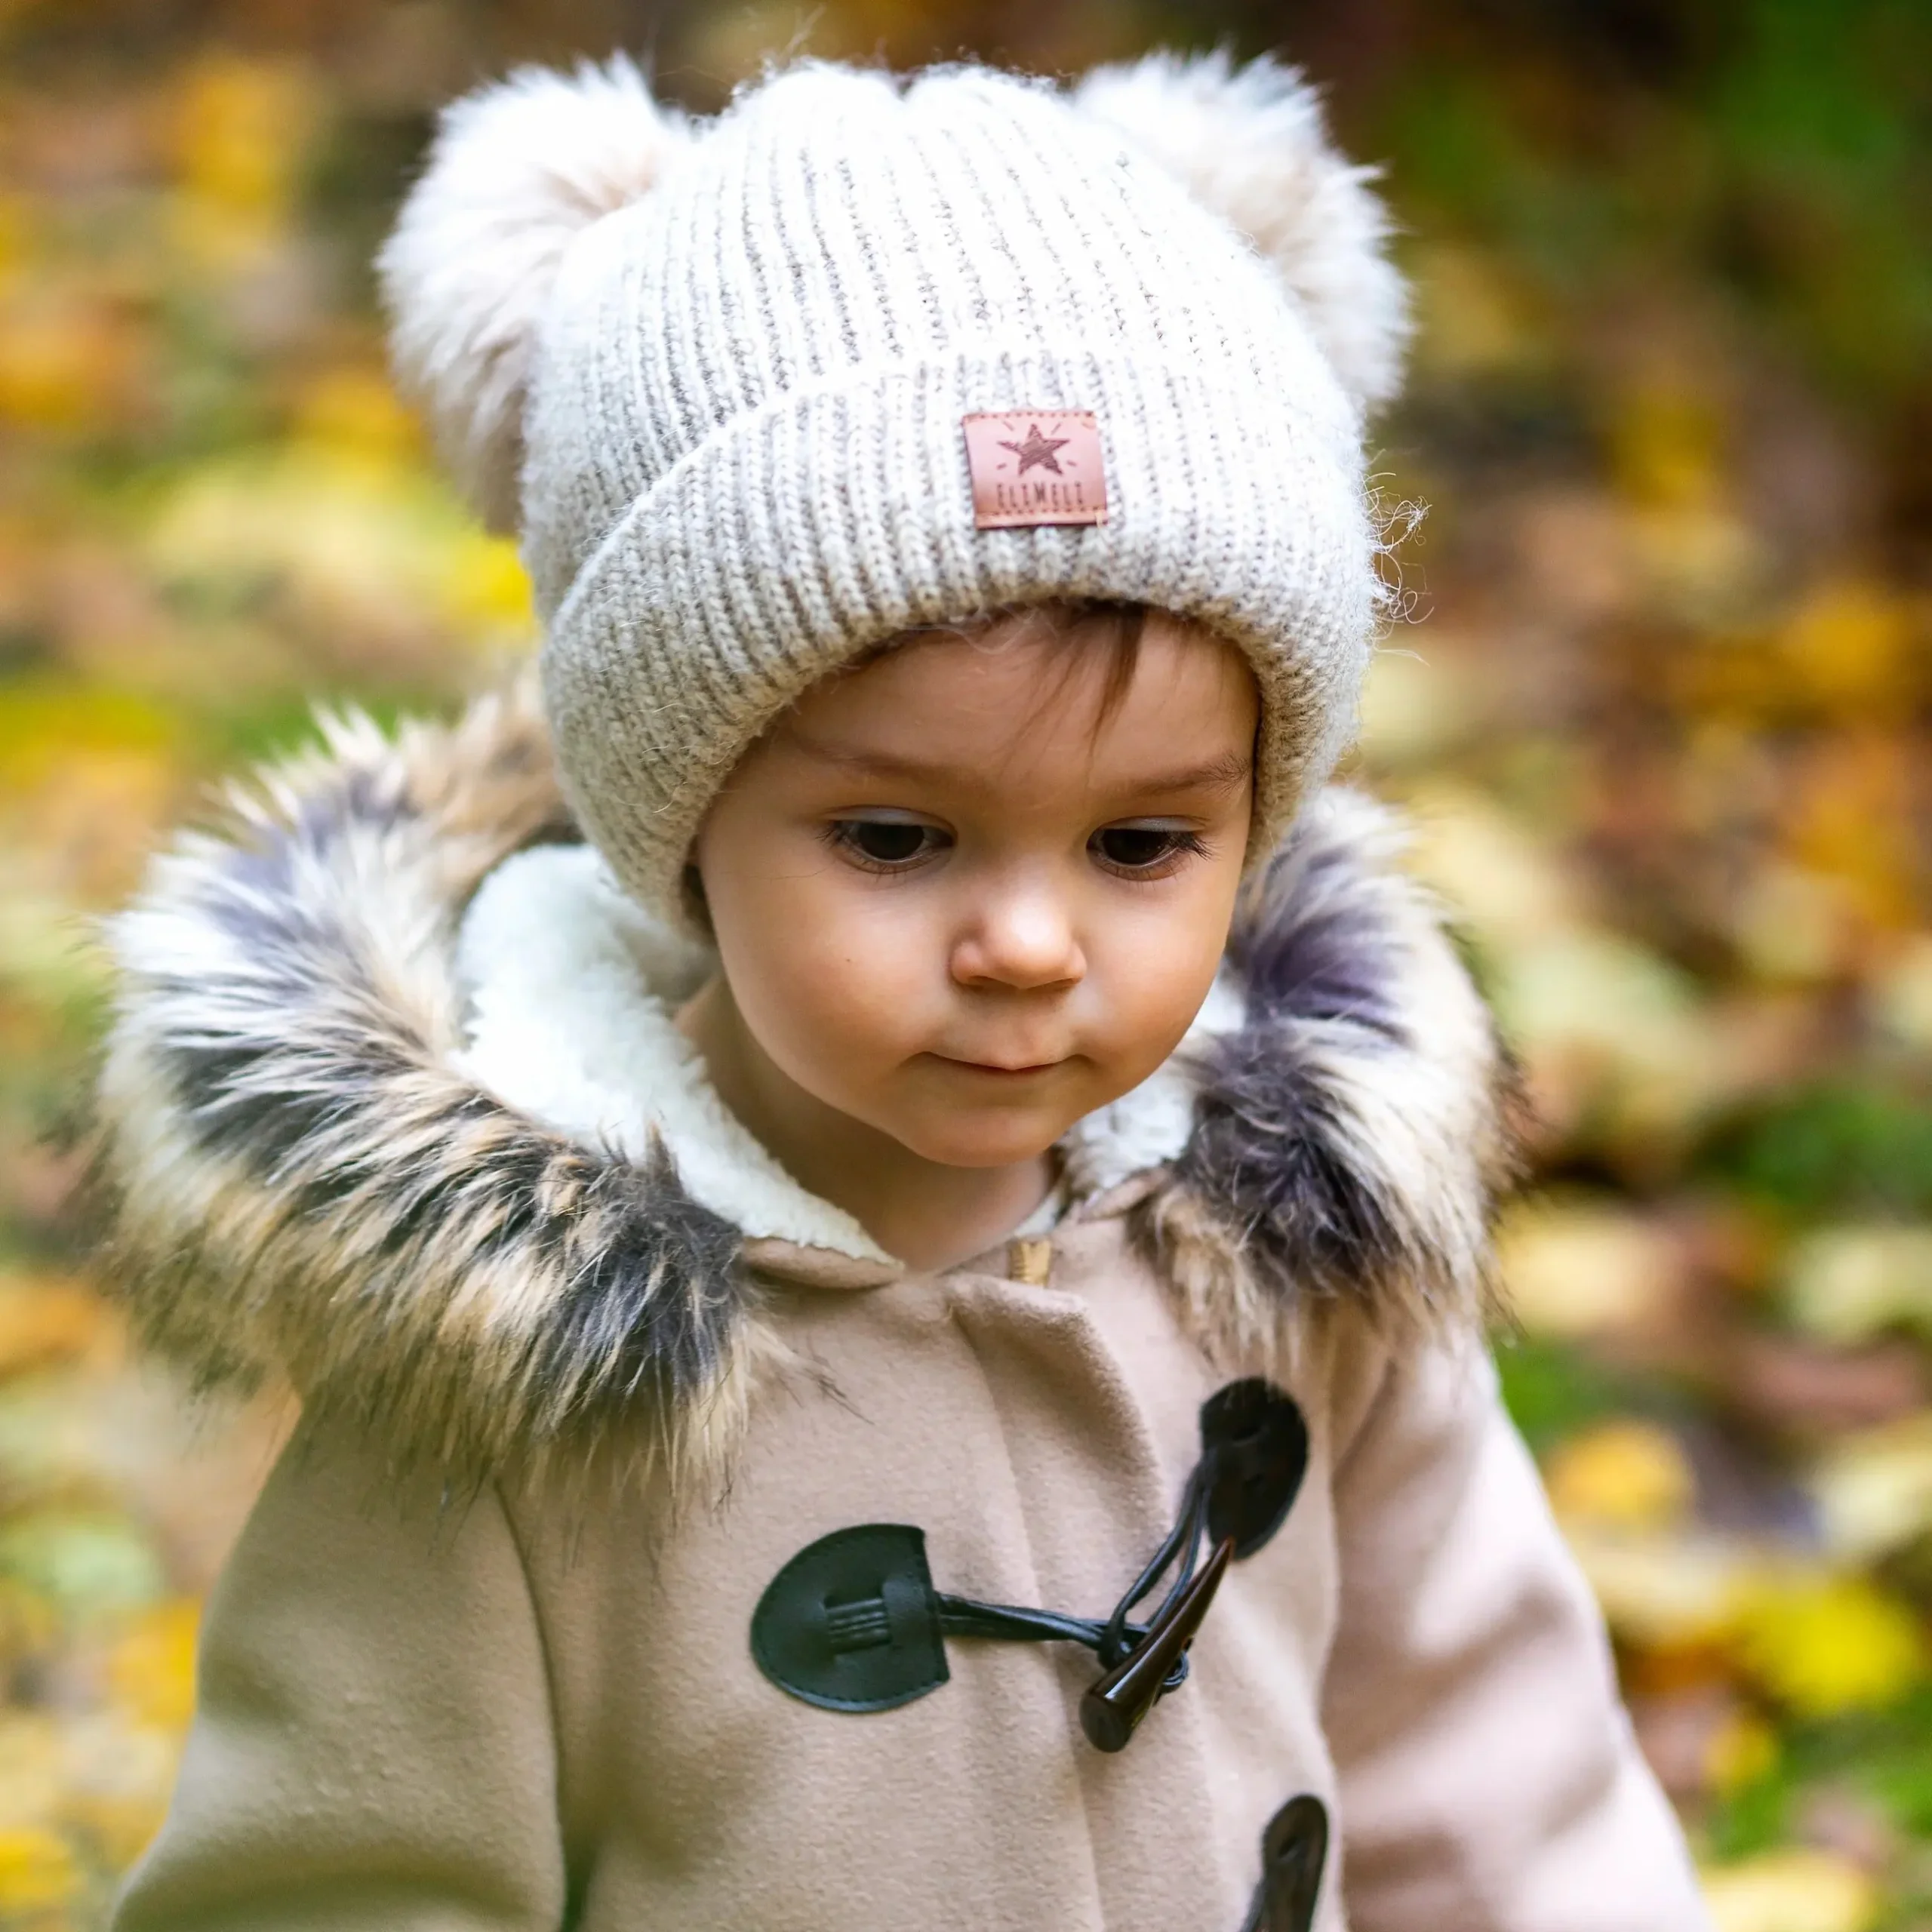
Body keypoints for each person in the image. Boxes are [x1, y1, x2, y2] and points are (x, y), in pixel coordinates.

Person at [94, 45, 1713, 1932]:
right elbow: (345, 1878)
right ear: (677, 818)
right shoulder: (506, 1378)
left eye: (1137, 847)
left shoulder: (1303, 1255)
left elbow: (1495, 1773)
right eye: (892, 838)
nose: (1026, 944)